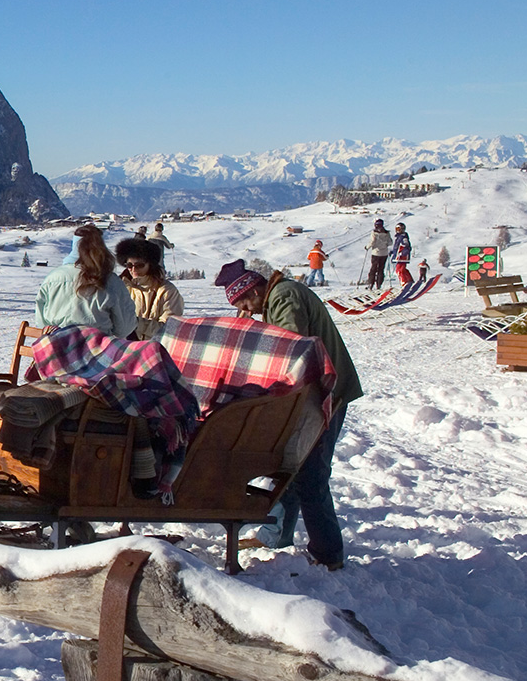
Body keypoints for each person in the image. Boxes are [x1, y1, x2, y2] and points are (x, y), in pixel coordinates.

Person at [212, 259, 363, 570]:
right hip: (312, 395)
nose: (246, 309)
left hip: (325, 395)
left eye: (243, 301)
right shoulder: (276, 298)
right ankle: (276, 535)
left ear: (254, 289)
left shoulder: (284, 296)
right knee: (292, 468)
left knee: (311, 473)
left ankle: (328, 553)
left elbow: (289, 347)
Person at [33, 224, 138, 338]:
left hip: (56, 350)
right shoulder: (111, 281)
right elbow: (125, 328)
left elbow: (41, 321)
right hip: (97, 352)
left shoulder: (53, 278)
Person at [115, 236, 183, 339]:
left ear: (150, 265)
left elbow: (169, 330)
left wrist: (136, 323)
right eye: (129, 265)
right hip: (124, 350)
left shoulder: (167, 291)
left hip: (155, 350)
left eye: (139, 265)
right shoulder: (121, 288)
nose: (133, 269)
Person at [365, 220, 391, 289]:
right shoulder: (387, 233)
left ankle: (371, 284)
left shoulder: (374, 233)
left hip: (376, 253)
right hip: (384, 253)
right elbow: (390, 242)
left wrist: (367, 247)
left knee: (373, 269)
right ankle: (379, 285)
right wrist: (385, 245)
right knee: (381, 269)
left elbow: (372, 242)